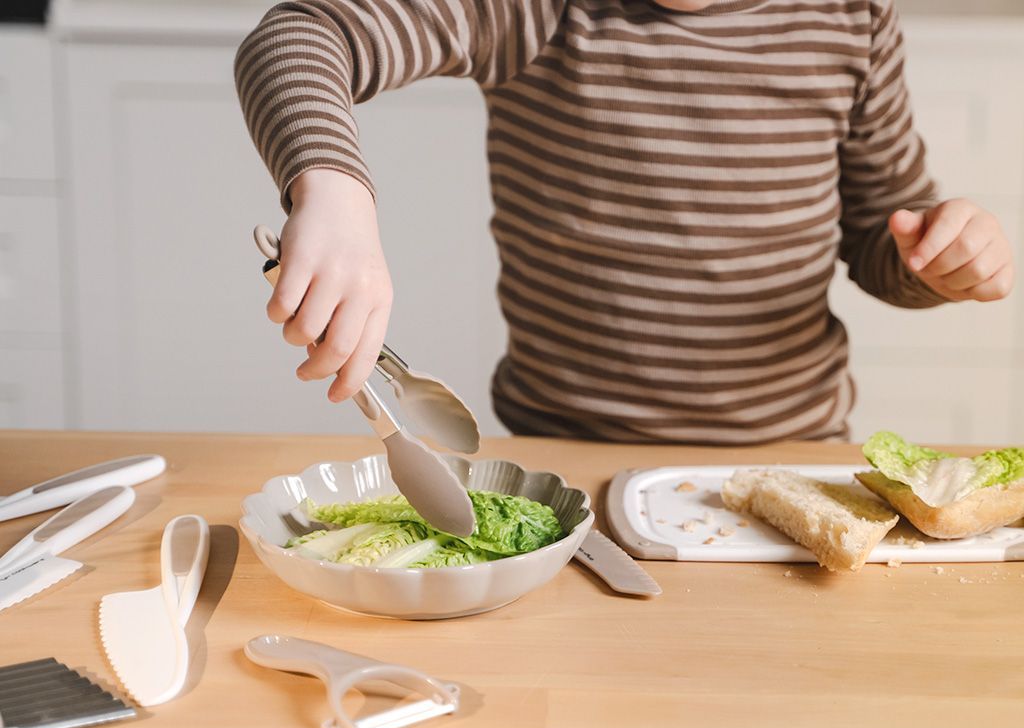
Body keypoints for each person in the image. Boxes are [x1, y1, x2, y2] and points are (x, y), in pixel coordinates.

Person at [234, 0, 1013, 444]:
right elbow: (299, 36)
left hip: (792, 453)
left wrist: (939, 260)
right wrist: (334, 191)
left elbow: (884, 240)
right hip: (570, 463)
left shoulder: (850, 17)